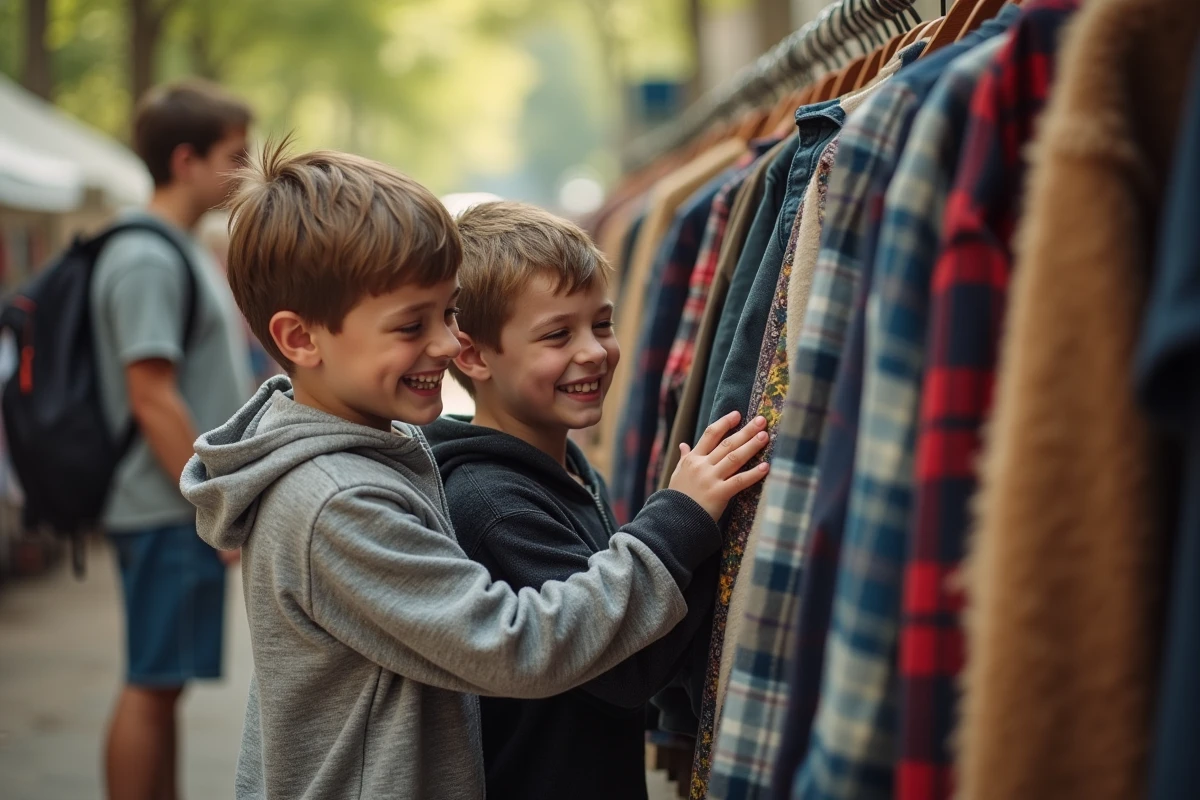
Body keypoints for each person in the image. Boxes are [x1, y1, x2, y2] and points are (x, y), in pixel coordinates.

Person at [179, 143, 770, 800]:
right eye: (412, 325)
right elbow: (518, 643)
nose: (445, 344)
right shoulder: (337, 501)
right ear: (300, 340)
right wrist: (676, 522)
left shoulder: (376, 453)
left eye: (449, 312)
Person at [423, 201, 742, 800]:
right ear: (472, 356)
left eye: (602, 323)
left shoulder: (563, 468)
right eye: (556, 334)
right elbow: (621, 669)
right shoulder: (494, 504)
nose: (594, 351)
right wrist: (686, 517)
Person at [92, 79, 255, 800]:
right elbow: (152, 395)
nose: (246, 170)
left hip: (169, 504)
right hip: (164, 505)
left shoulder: (175, 249)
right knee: (154, 684)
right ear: (186, 160)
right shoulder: (148, 258)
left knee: (165, 682)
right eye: (234, 154)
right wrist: (211, 503)